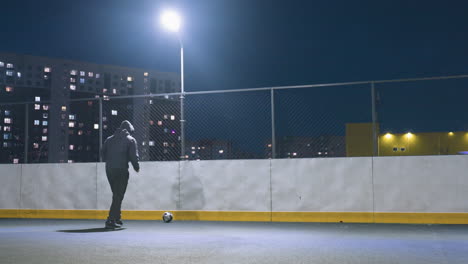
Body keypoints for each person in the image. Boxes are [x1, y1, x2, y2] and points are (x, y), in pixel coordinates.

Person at [101, 120, 140, 229]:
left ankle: (117, 218)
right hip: (122, 169)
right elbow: (133, 156)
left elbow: (102, 154)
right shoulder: (131, 140)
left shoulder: (109, 139)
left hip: (109, 169)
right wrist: (136, 167)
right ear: (129, 131)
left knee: (116, 195)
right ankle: (111, 219)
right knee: (118, 195)